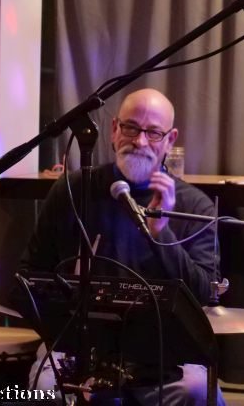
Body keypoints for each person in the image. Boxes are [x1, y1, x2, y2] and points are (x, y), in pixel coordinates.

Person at [19, 88, 225, 406]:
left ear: (170, 140)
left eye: (153, 132)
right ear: (114, 129)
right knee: (45, 386)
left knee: (197, 391)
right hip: (79, 348)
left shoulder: (194, 206)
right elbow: (29, 275)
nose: (139, 141)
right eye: (130, 127)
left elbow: (203, 295)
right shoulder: (72, 190)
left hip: (165, 358)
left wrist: (161, 233)